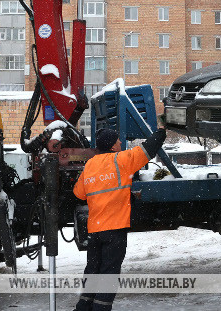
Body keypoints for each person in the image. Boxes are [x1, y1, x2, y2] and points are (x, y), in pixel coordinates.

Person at [72, 127, 167, 311]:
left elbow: (79, 193)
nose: (120, 143)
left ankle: (83, 307)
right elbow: (148, 149)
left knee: (92, 270)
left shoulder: (90, 165)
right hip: (114, 230)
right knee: (109, 273)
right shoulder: (121, 160)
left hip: (95, 230)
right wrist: (161, 132)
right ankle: (101, 309)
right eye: (117, 140)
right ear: (112, 145)